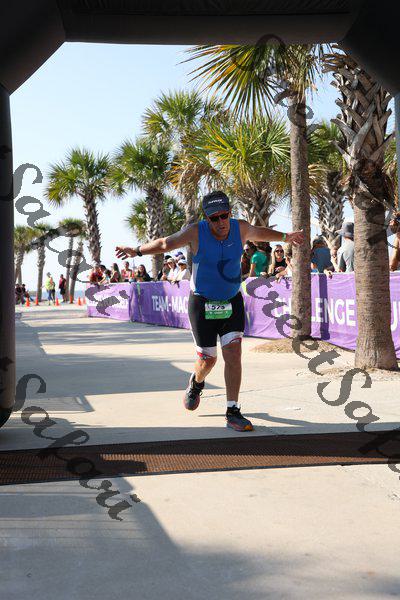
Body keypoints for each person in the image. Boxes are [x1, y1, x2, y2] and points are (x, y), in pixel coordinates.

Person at [116, 189, 304, 431]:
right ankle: (196, 383)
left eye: (224, 215)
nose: (221, 222)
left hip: (232, 300)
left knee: (233, 354)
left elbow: (260, 232)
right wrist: (137, 250)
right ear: (207, 218)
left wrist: (286, 236)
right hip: (201, 302)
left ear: (230, 213)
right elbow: (165, 243)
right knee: (208, 360)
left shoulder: (240, 228)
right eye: (214, 218)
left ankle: (233, 410)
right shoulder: (196, 232)